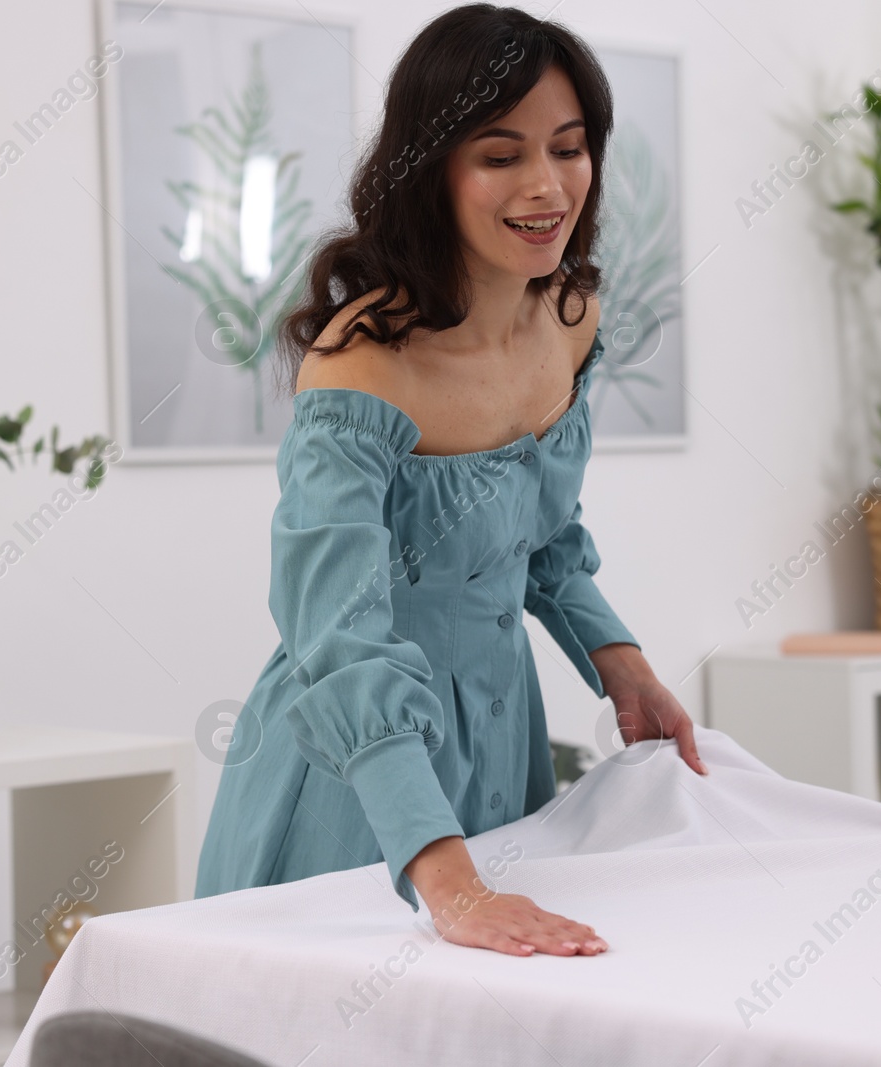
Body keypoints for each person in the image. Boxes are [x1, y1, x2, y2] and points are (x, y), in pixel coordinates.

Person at [195, 3, 706, 958]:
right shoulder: (361, 364)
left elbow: (542, 540)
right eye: (500, 154)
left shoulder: (570, 317)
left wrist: (620, 662)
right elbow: (338, 635)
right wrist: (449, 881)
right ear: (432, 168)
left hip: (504, 738)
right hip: (360, 764)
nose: (547, 185)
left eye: (569, 146)